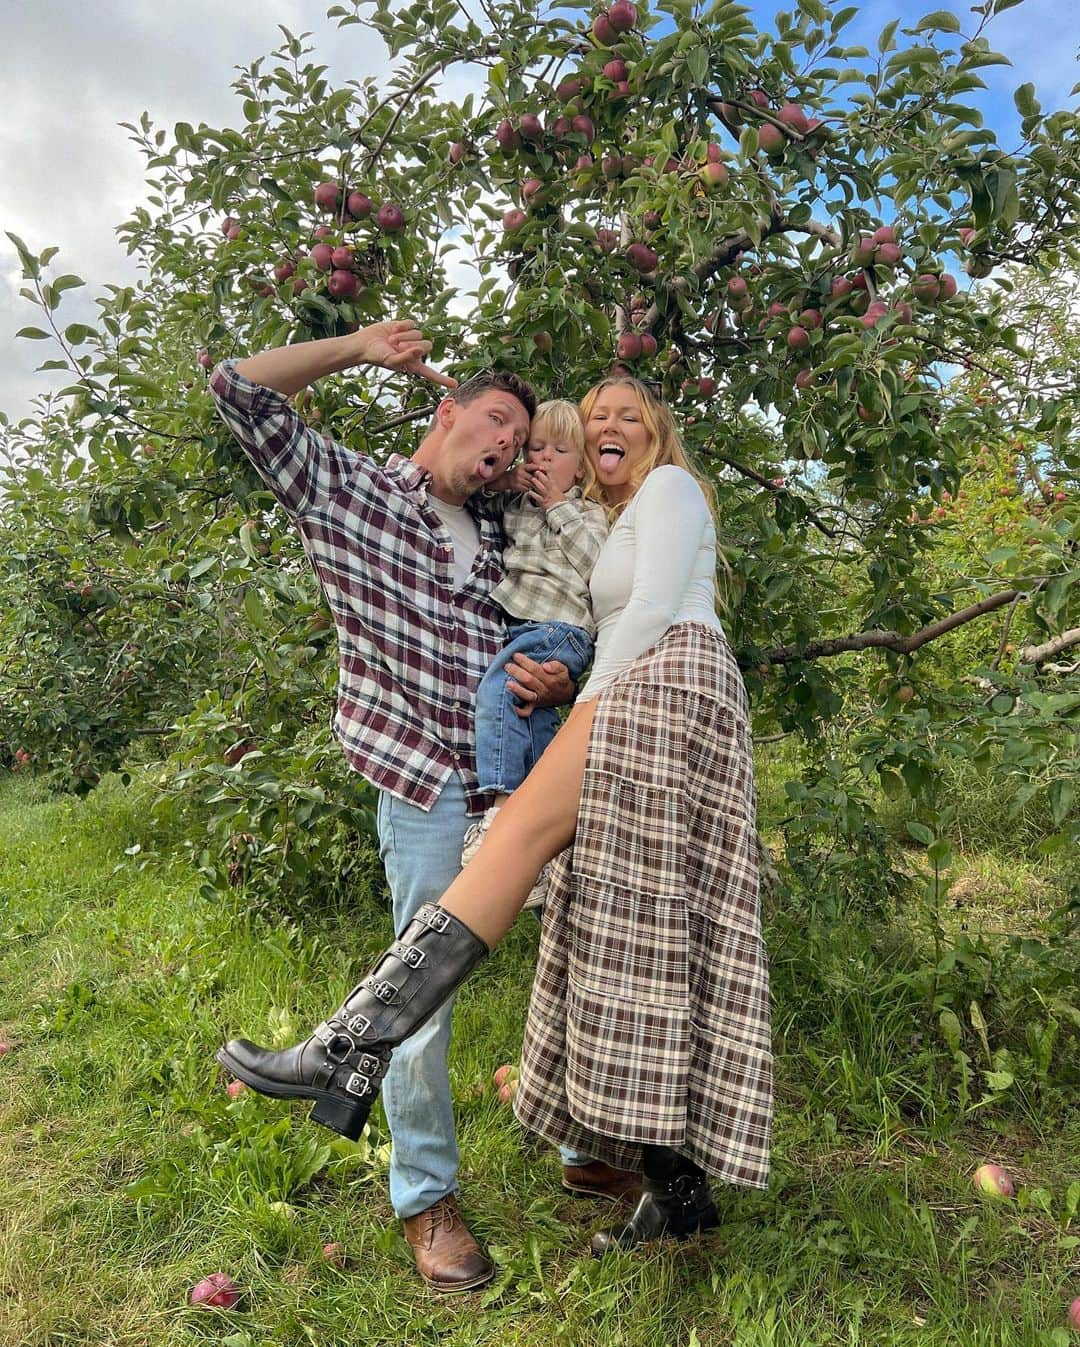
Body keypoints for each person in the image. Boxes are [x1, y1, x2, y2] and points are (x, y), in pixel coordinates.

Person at [218, 365, 772, 1259]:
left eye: (630, 414)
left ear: (659, 434)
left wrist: (581, 694)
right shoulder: (442, 503)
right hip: (527, 733)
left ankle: (348, 1043)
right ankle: (443, 1165)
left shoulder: (657, 493)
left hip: (654, 696)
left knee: (604, 907)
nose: (607, 426)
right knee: (629, 932)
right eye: (594, 416)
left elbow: (649, 613)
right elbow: (247, 394)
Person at [209, 320, 592, 1293]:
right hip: (426, 785)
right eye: (492, 420)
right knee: (417, 1001)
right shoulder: (353, 494)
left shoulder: (513, 522)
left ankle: (591, 1142)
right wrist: (358, 348)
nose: (505, 443)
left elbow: (587, 561)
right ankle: (428, 1202)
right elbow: (238, 389)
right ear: (446, 410)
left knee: (587, 954)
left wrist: (560, 677)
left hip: (530, 779)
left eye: (517, 435)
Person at [463, 399, 608, 898]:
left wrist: (558, 507)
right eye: (536, 448)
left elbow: (598, 566)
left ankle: (501, 815)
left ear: (581, 465)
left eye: (559, 451)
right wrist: (506, 481)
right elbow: (474, 495)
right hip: (522, 627)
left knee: (499, 692)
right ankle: (547, 850)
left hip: (559, 627)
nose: (544, 459)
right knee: (534, 719)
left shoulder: (587, 513)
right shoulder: (515, 506)